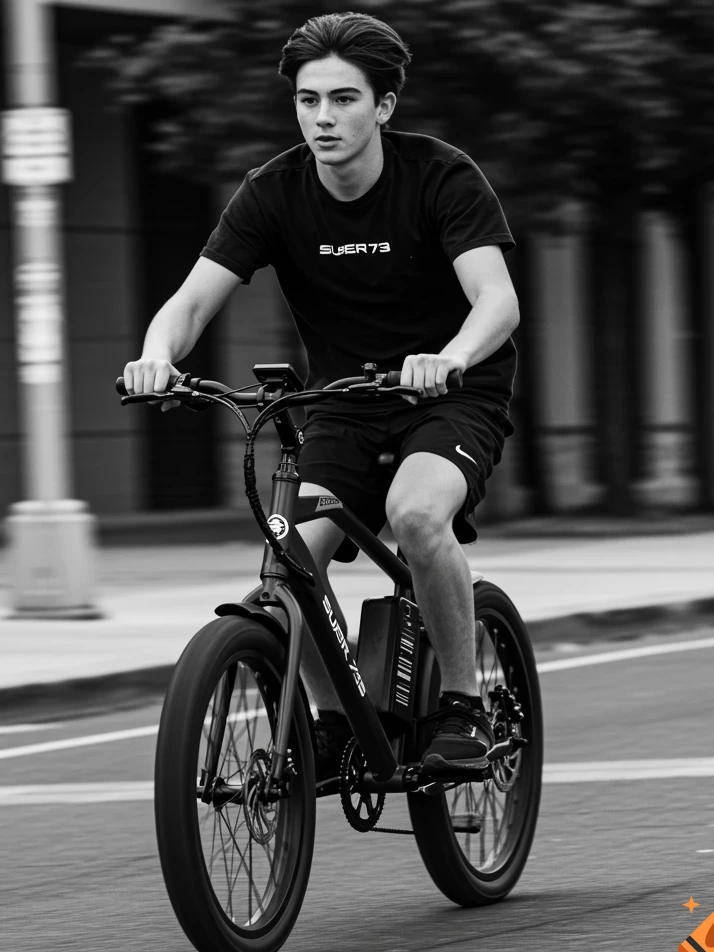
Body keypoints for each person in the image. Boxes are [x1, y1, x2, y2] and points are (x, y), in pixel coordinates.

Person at [123, 12, 520, 781]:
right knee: (290, 561)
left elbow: (496, 302)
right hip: (343, 400)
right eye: (309, 101)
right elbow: (194, 301)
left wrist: (450, 357)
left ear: (385, 105)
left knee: (414, 513)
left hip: (451, 392)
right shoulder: (272, 192)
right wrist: (154, 357)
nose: (323, 118)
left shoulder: (441, 176)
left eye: (343, 99)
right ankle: (334, 719)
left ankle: (464, 706)